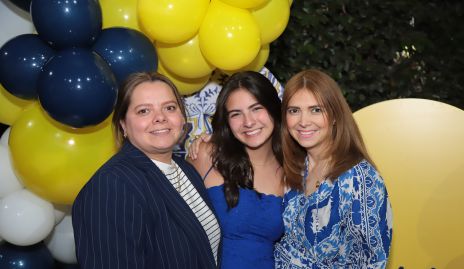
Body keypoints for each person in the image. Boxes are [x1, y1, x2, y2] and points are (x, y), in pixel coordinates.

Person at [72, 72, 221, 269]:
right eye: (144, 111)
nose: (160, 118)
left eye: (169, 107)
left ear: (182, 117)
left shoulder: (186, 169)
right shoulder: (112, 185)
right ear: (123, 124)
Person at [274, 69, 393, 268]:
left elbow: (371, 262)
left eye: (316, 110)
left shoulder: (360, 179)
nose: (303, 121)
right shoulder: (295, 166)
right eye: (294, 110)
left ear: (335, 115)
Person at [188, 71, 285, 269]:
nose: (248, 122)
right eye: (236, 114)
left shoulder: (291, 169)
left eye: (256, 108)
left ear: (273, 109)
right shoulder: (207, 155)